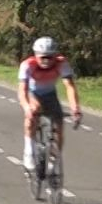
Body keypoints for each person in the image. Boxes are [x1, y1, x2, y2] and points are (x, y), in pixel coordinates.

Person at [19, 36, 82, 172]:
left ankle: (54, 159)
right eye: (43, 57)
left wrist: (75, 109)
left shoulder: (62, 63)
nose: (46, 61)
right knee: (33, 112)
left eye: (50, 57)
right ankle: (29, 151)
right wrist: (26, 108)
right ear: (36, 55)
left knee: (59, 125)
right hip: (33, 93)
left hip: (50, 94)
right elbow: (22, 90)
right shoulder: (27, 65)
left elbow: (70, 87)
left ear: (55, 55)